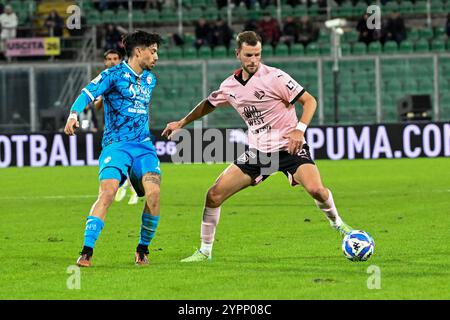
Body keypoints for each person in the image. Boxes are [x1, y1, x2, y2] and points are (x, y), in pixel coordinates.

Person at [162, 31, 353, 262]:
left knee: (317, 191)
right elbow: (209, 104)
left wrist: (299, 130)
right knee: (213, 195)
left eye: (258, 54)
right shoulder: (230, 85)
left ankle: (338, 223)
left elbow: (310, 101)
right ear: (238, 54)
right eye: (249, 55)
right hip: (260, 153)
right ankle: (205, 251)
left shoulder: (275, 77)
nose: (254, 60)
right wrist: (182, 122)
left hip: (289, 148)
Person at [64, 31, 163, 267]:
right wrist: (73, 114)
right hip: (116, 146)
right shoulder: (112, 75)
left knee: (154, 194)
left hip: (143, 148)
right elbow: (87, 94)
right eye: (153, 51)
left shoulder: (150, 79)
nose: (156, 56)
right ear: (139, 51)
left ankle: (142, 249)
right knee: (107, 192)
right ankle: (87, 251)